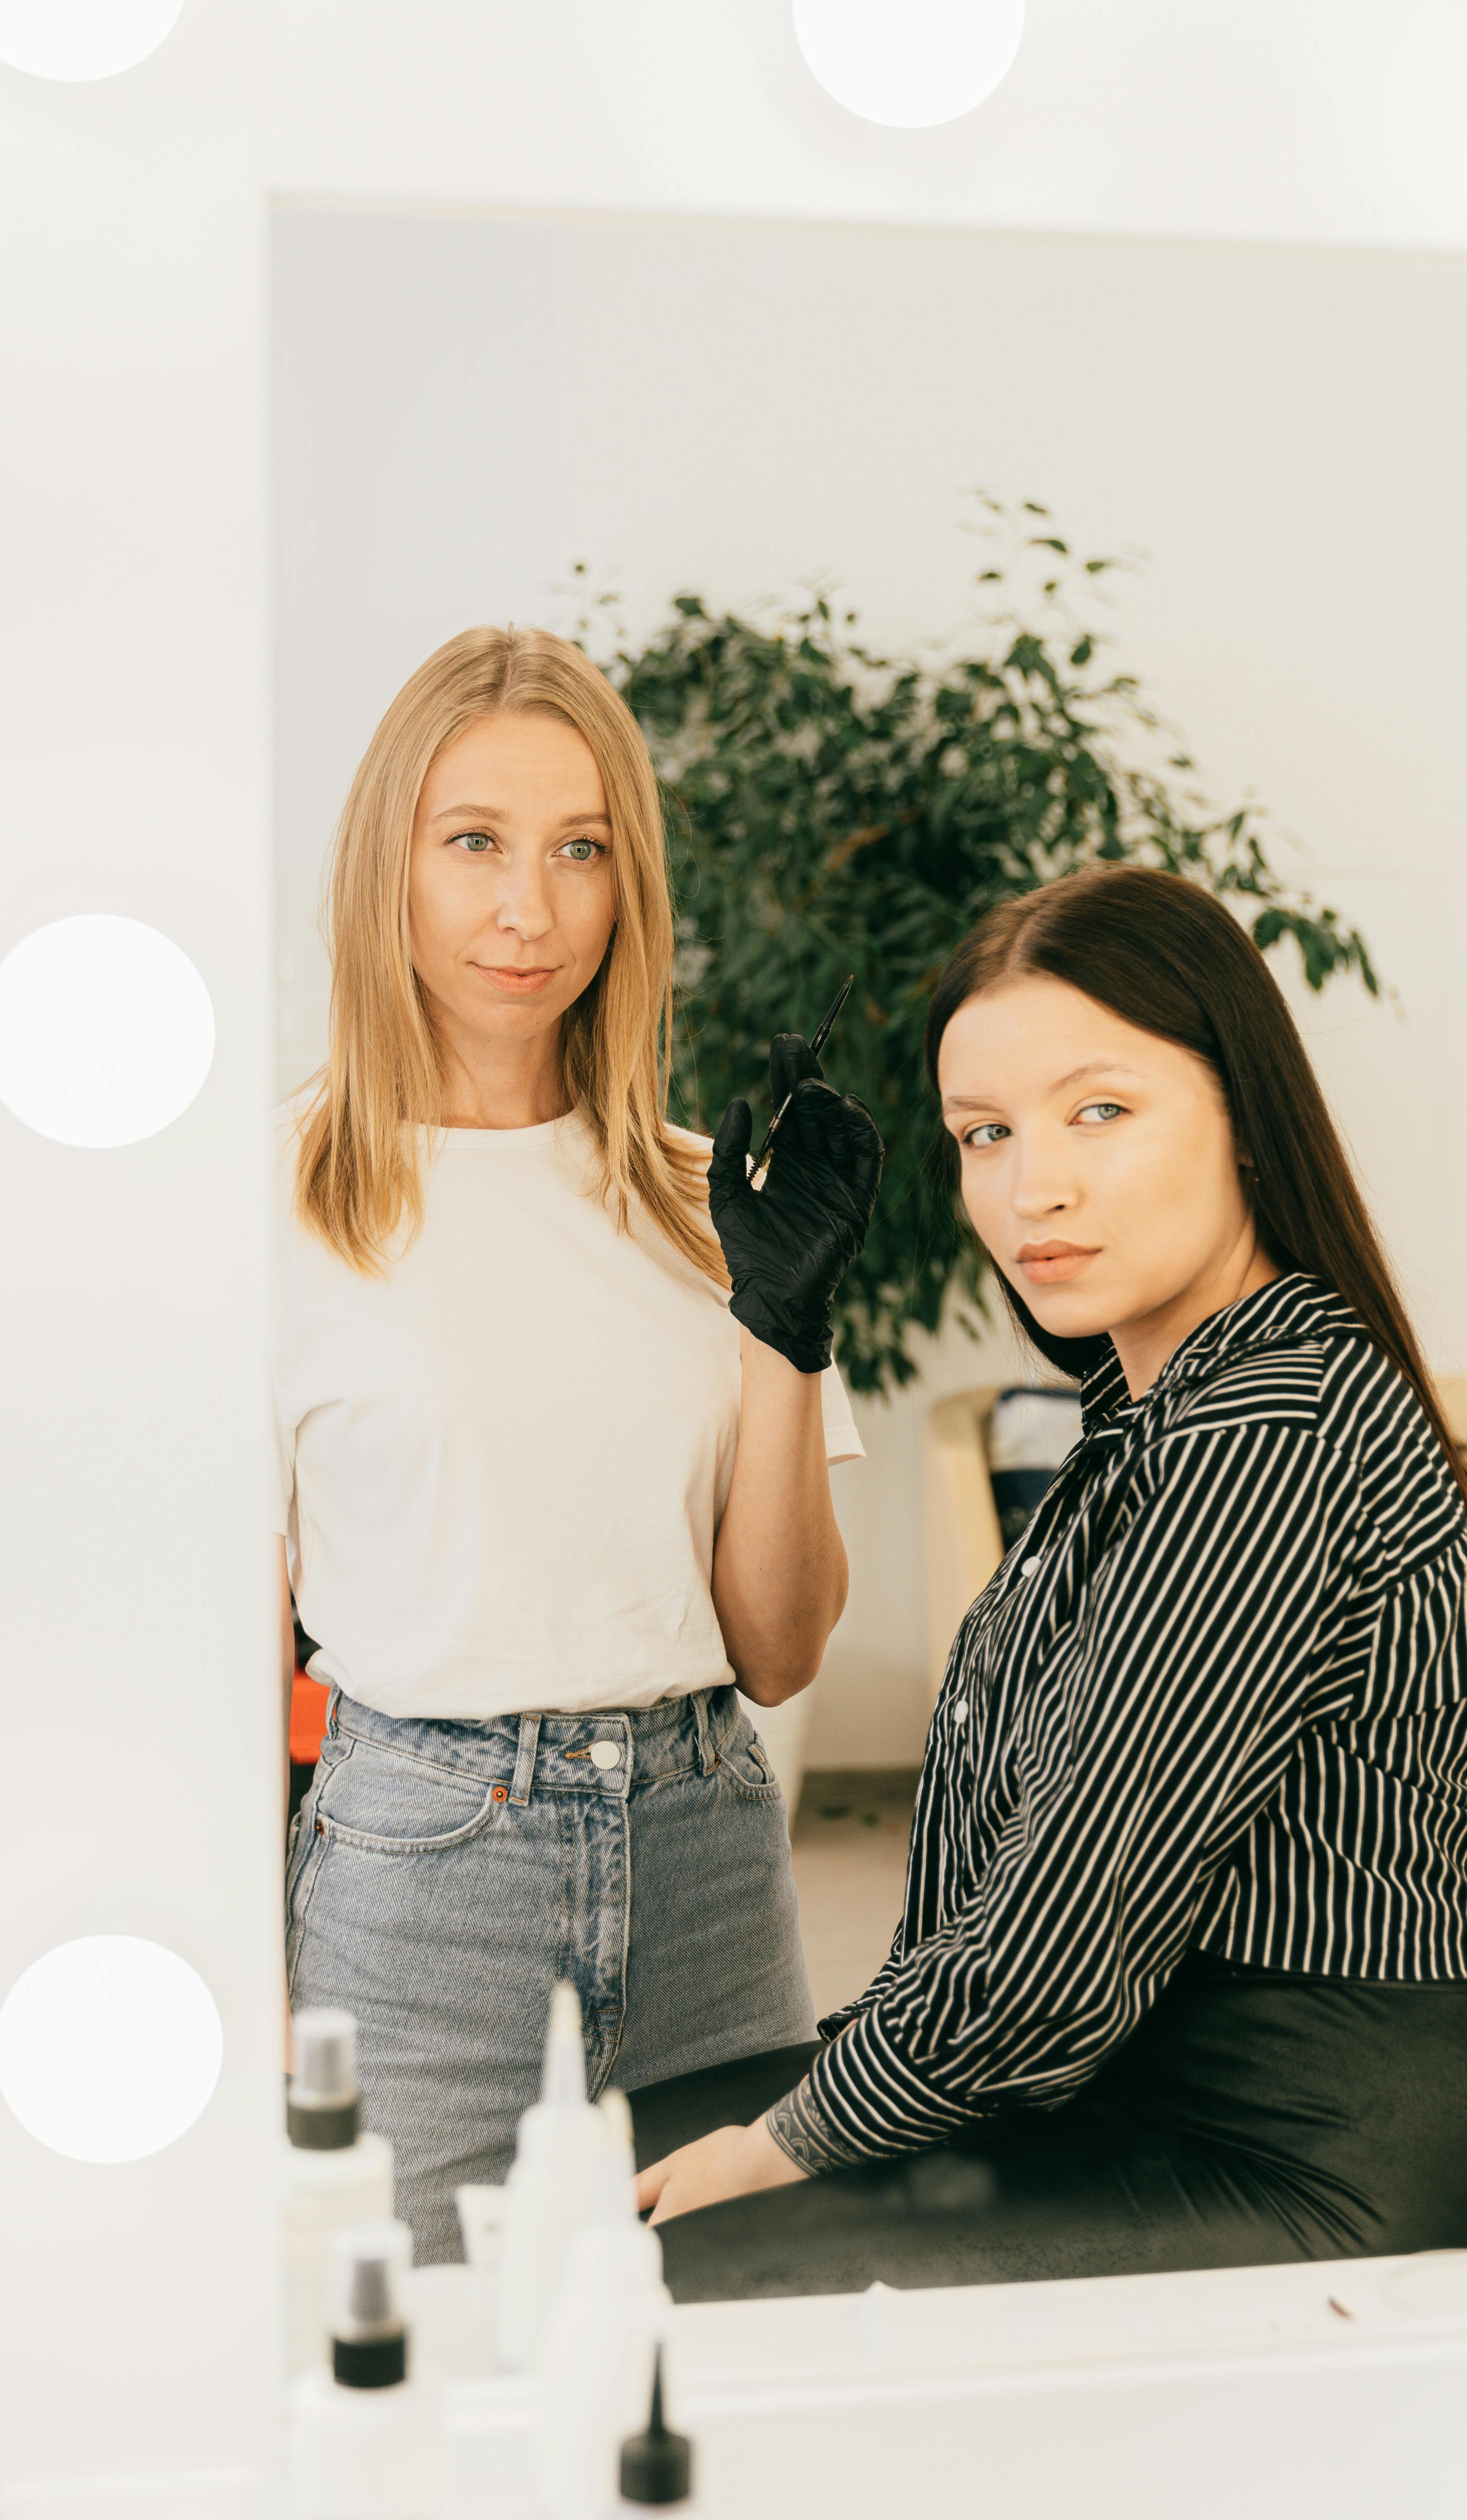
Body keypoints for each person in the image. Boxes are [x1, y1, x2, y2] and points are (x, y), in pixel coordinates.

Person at [629, 863, 1467, 2296]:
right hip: (1123, 2085)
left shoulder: (1271, 1426)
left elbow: (1061, 1939)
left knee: (635, 2257)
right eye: (981, 1134)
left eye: (1100, 1112)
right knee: (583, 2168)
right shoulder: (1154, 1418)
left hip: (1312, 2161)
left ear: (1243, 1116)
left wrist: (798, 2133)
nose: (1029, 1187)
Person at [277, 625, 881, 2260]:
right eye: (472, 843)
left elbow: (776, 1648)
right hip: (419, 1886)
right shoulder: (274, 1207)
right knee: (412, 2371)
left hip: (706, 1863)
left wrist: (786, 1331)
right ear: (385, 865)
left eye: (579, 852)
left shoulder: (714, 1206)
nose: (525, 910)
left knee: (720, 2382)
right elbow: (224, 1643)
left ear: (630, 890)